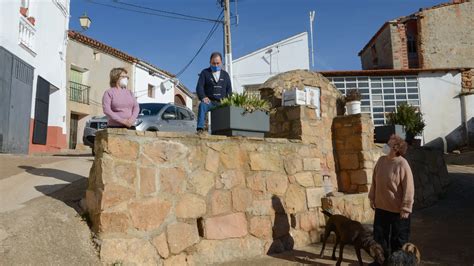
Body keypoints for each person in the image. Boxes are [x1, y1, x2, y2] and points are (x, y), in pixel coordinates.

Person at [369, 134, 415, 265]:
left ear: (395, 148)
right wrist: (372, 197)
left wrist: (406, 207)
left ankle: (397, 263)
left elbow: (409, 188)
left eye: (387, 144)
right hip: (381, 208)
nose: (384, 146)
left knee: (398, 241)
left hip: (398, 212)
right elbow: (374, 181)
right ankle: (381, 262)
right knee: (379, 238)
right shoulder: (381, 161)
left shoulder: (402, 164)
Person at [195, 52, 232, 133]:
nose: (216, 65)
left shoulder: (225, 75)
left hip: (222, 103)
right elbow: (199, 87)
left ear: (221, 62)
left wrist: (227, 101)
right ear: (210, 62)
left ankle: (227, 130)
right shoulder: (204, 73)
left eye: (217, 63)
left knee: (230, 109)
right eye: (213, 63)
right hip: (209, 102)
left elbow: (229, 89)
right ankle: (200, 129)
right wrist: (203, 97)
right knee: (202, 105)